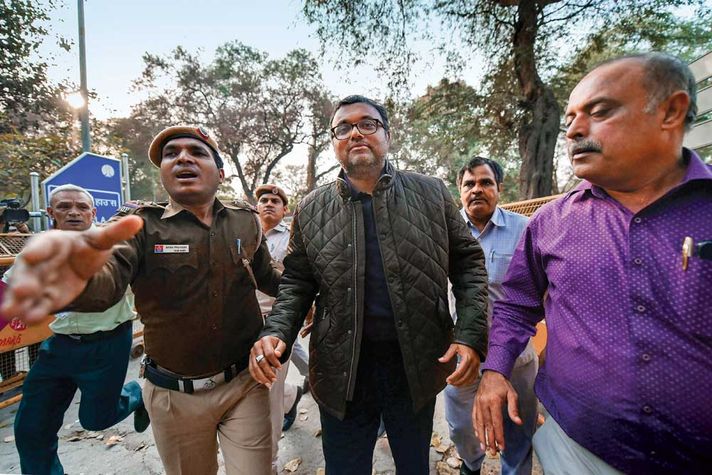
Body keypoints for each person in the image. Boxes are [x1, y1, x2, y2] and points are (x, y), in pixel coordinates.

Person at [474, 52, 712, 474]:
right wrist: (495, 371)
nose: (575, 131)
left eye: (600, 111)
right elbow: (515, 304)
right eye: (569, 120)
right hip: (574, 449)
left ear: (671, 112)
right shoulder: (549, 223)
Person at [2, 126, 282, 475]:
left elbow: (272, 279)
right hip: (172, 397)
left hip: (245, 386)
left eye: (197, 152)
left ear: (220, 172)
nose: (182, 157)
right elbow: (108, 281)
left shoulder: (246, 222)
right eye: (171, 153)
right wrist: (74, 280)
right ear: (163, 172)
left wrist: (314, 294)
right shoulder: (137, 226)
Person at [250, 95, 489, 474]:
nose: (355, 133)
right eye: (343, 128)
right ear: (333, 143)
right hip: (340, 368)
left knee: (413, 465)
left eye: (368, 124)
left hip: (415, 364)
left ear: (387, 135)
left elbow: (468, 264)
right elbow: (297, 280)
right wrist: (278, 329)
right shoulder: (312, 207)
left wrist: (471, 333)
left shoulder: (431, 193)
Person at [4, 184, 145, 475]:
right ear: (50, 212)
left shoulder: (118, 247)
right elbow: (10, 290)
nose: (74, 212)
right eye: (65, 206)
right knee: (31, 428)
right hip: (60, 345)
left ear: (94, 212)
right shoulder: (38, 250)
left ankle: (135, 395)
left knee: (97, 419)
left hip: (108, 344)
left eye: (82, 207)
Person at [445, 157, 538, 475]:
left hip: (516, 355)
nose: (477, 189)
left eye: (485, 182)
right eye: (469, 184)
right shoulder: (444, 232)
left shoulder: (525, 229)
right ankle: (471, 465)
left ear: (500, 188)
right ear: (459, 191)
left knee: (518, 428)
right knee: (461, 428)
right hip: (463, 357)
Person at [253, 183, 307, 473]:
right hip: (241, 326)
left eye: (276, 200)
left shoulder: (293, 239)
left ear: (285, 210)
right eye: (264, 199)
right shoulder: (244, 233)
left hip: (278, 324)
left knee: (268, 394)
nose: (269, 203)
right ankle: (294, 394)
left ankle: (269, 464)